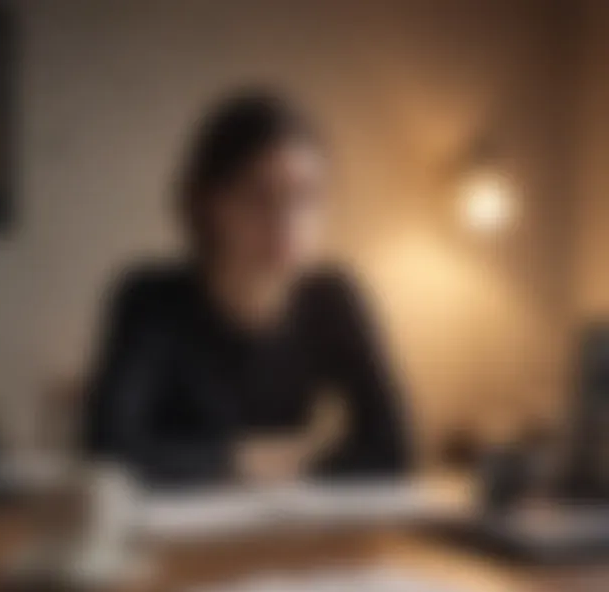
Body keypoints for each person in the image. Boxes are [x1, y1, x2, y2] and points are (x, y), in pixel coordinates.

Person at [83, 90, 411, 487]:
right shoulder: (149, 300)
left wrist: (300, 465)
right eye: (260, 196)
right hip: (170, 537)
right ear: (210, 203)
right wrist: (240, 459)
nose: (286, 220)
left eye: (306, 197)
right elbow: (107, 452)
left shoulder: (333, 298)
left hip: (287, 532)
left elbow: (394, 449)